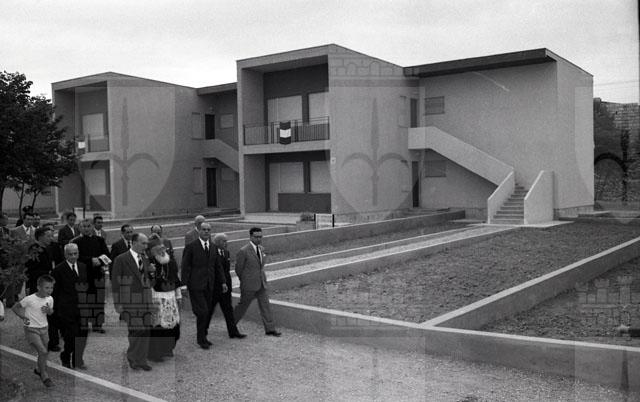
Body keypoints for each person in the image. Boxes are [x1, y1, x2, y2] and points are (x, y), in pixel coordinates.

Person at [112, 233, 154, 371]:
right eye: (143, 243)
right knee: (137, 329)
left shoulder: (145, 259)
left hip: (145, 300)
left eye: (147, 243)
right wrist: (118, 303)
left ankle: (142, 360)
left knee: (146, 330)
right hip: (130, 302)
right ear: (134, 242)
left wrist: (152, 273)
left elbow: (148, 281)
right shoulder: (121, 259)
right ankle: (132, 357)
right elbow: (116, 283)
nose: (146, 246)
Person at [181, 222, 227, 349]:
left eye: (208, 230)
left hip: (209, 285)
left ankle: (203, 336)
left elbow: (217, 266)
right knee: (203, 312)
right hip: (195, 285)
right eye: (204, 229)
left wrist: (223, 281)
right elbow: (185, 267)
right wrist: (184, 285)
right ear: (199, 231)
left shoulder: (213, 247)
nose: (206, 232)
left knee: (205, 312)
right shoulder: (191, 247)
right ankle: (201, 339)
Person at [233, 227, 281, 337]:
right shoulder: (243, 251)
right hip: (249, 285)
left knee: (265, 305)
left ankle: (270, 329)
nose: (259, 239)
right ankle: (231, 325)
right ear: (250, 237)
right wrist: (246, 280)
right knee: (242, 306)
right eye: (256, 237)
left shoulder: (262, 249)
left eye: (260, 237)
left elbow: (260, 266)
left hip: (261, 283)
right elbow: (238, 269)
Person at [12, 274, 55, 387]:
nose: (50, 290)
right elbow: (15, 307)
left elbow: (51, 312)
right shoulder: (30, 299)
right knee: (43, 351)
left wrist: (49, 310)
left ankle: (38, 369)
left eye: (51, 287)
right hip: (31, 329)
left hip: (44, 329)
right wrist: (23, 317)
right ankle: (44, 375)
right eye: (47, 287)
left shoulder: (50, 299)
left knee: (44, 352)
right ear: (38, 287)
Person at [51, 243, 89, 369]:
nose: (73, 256)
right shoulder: (58, 270)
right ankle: (66, 356)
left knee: (83, 335)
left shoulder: (83, 267)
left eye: (75, 253)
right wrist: (56, 311)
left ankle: (78, 359)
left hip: (82, 308)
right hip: (67, 309)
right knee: (71, 336)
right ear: (65, 255)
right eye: (70, 254)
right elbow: (55, 292)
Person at [146, 236, 182, 361]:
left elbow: (175, 279)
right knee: (158, 327)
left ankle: (167, 349)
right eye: (158, 250)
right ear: (152, 252)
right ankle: (155, 353)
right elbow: (147, 283)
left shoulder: (170, 261)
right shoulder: (149, 263)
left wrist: (178, 296)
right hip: (156, 298)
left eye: (163, 249)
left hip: (171, 297)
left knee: (173, 326)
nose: (162, 251)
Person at [72, 220, 110, 333]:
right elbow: (75, 257)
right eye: (84, 226)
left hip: (97, 274)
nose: (86, 228)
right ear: (79, 228)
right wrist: (90, 260)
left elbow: (107, 255)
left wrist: (100, 260)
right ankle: (83, 324)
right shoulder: (75, 242)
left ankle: (97, 325)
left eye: (88, 226)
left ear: (92, 227)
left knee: (98, 300)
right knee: (84, 301)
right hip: (83, 275)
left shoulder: (99, 240)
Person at [212, 233, 245, 339]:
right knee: (208, 311)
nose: (226, 243)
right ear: (217, 242)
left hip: (226, 287)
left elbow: (226, 271)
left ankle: (233, 332)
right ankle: (202, 334)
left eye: (226, 241)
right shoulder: (211, 253)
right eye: (224, 241)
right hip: (215, 288)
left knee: (228, 310)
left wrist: (227, 284)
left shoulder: (226, 253)